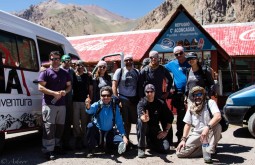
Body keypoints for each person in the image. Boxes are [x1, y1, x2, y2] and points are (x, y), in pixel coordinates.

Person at [38, 51, 72, 160]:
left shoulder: (65, 73)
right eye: (53, 59)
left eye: (57, 59)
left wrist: (64, 92)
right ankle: (48, 150)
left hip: (62, 104)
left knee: (60, 127)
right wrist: (53, 93)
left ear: (60, 60)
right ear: (50, 60)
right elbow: (40, 87)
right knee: (49, 128)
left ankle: (57, 146)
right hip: (49, 104)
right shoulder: (46, 72)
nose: (55, 61)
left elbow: (69, 87)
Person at [176, 86, 222, 162]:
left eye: (199, 94)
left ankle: (210, 148)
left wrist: (207, 127)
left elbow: (218, 116)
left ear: (203, 95)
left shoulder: (210, 103)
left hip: (209, 131)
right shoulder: (191, 107)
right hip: (196, 134)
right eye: (195, 95)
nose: (197, 97)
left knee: (218, 126)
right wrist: (183, 140)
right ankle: (204, 149)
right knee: (179, 153)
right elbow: (187, 124)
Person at [85, 86, 128, 157]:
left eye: (108, 95)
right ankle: (90, 150)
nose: (106, 97)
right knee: (90, 126)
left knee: (120, 140)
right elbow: (89, 110)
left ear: (111, 96)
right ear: (100, 96)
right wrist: (88, 106)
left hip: (109, 132)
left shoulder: (115, 107)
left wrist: (124, 136)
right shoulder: (97, 104)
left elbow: (119, 122)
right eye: (103, 95)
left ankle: (118, 146)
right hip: (98, 132)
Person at [137, 84, 173, 158]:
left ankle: (151, 143)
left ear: (154, 92)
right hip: (145, 128)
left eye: (151, 91)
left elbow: (170, 117)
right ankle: (141, 148)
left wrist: (165, 131)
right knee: (140, 121)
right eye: (147, 92)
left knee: (166, 149)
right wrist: (145, 118)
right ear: (145, 92)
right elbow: (141, 116)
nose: (149, 93)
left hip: (155, 129)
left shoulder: (160, 103)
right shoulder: (141, 103)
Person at [164, 46, 190, 143]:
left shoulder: (190, 62)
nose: (179, 55)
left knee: (194, 116)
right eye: (176, 54)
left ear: (184, 52)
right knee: (181, 117)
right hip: (178, 94)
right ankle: (180, 138)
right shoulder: (172, 64)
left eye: (180, 53)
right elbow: (160, 69)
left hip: (191, 93)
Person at [112, 54, 139, 144]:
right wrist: (117, 99)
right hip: (123, 98)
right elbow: (114, 85)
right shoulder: (119, 71)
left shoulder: (136, 71)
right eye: (126, 60)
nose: (128, 61)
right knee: (124, 122)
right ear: (123, 62)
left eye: (130, 60)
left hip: (134, 100)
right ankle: (124, 141)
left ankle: (128, 140)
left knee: (132, 121)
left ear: (132, 61)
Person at [72, 60, 93, 149]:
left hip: (84, 101)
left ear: (83, 66)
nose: (79, 67)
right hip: (75, 101)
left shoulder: (87, 76)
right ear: (74, 66)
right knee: (75, 122)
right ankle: (78, 138)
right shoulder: (72, 76)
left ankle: (84, 139)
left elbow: (90, 89)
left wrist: (90, 99)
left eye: (81, 65)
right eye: (77, 65)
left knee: (85, 122)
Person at [60, 54, 75, 150]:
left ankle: (66, 143)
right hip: (59, 99)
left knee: (68, 121)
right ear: (62, 61)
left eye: (70, 61)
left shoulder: (71, 71)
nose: (69, 63)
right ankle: (58, 143)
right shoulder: (58, 70)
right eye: (66, 61)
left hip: (69, 100)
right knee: (59, 122)